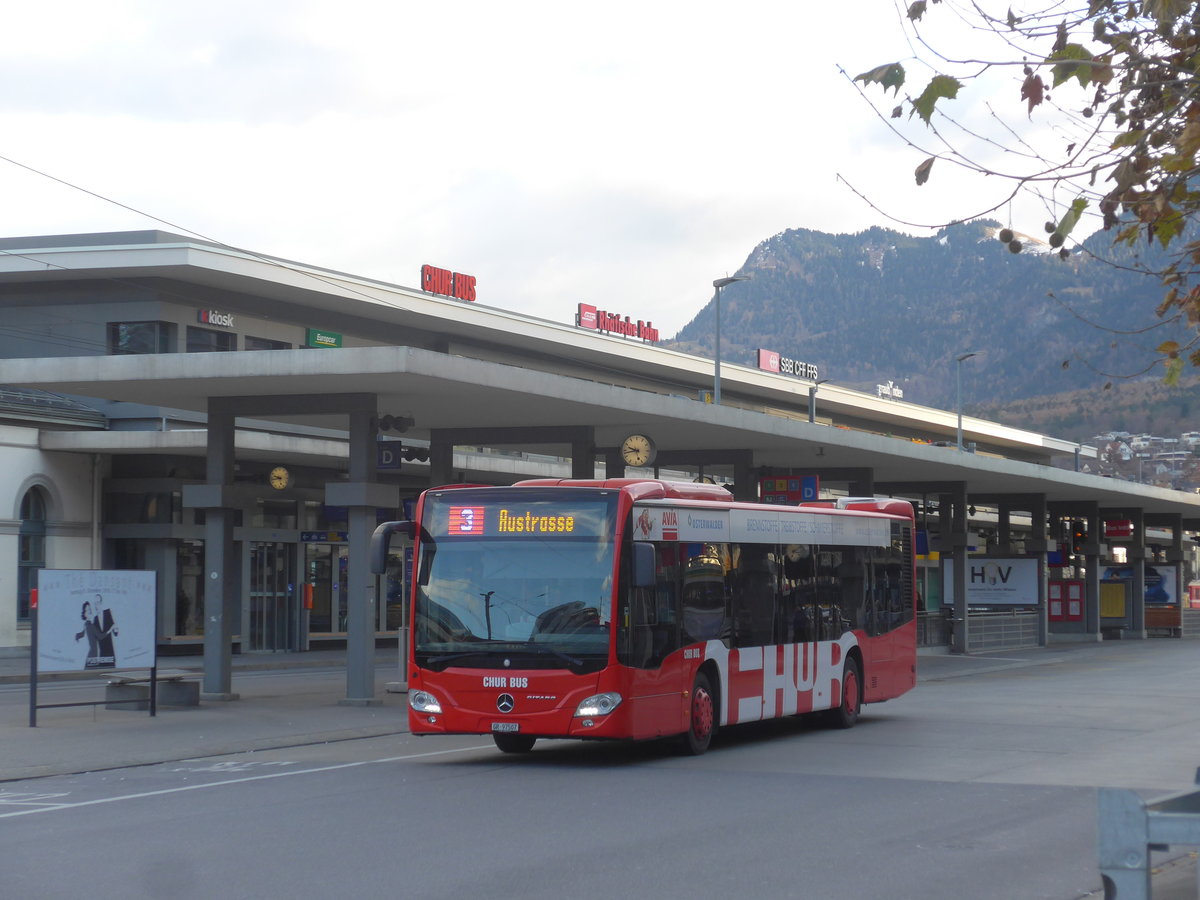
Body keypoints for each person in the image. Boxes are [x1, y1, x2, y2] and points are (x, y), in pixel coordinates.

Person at [92, 594, 118, 667]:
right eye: (95, 603)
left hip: (110, 653)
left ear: (101, 603)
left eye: (98, 603)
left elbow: (116, 633)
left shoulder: (108, 613)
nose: (96, 605)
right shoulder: (95, 619)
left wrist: (115, 628)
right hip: (101, 655)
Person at [74, 600, 102, 668]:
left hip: (93, 653)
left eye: (89, 609)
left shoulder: (87, 624)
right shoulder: (89, 625)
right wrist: (110, 629)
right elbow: (100, 636)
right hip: (93, 653)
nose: (89, 611)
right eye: (87, 610)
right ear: (84, 614)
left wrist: (77, 636)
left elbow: (83, 634)